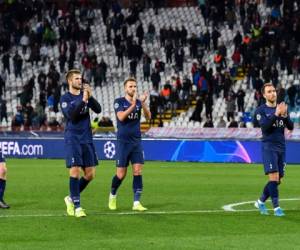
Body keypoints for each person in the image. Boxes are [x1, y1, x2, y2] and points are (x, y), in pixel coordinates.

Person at [60, 69, 102, 218]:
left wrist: (90, 97)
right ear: (70, 81)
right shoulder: (65, 98)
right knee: (75, 170)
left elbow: (98, 110)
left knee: (90, 175)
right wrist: (83, 100)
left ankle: (70, 198)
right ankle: (78, 206)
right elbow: (71, 116)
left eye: (81, 78)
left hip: (87, 138)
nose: (80, 81)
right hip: (73, 138)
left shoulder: (85, 95)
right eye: (77, 78)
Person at [108, 77, 151, 212]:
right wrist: (133, 105)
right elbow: (121, 117)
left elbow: (149, 117)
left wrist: (143, 103)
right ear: (125, 88)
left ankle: (136, 202)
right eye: (131, 86)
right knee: (121, 174)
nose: (133, 88)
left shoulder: (138, 103)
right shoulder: (119, 102)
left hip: (136, 141)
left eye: (134, 86)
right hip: (123, 142)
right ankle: (113, 194)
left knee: (137, 171)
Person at [254, 83, 293, 217]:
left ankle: (260, 201)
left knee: (278, 180)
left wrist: (285, 115)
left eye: (274, 91)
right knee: (273, 177)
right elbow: (265, 127)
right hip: (269, 147)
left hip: (281, 147)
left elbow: (291, 126)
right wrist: (276, 114)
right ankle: (277, 208)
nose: (273, 93)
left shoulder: (281, 108)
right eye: (269, 92)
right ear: (264, 95)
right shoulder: (260, 110)